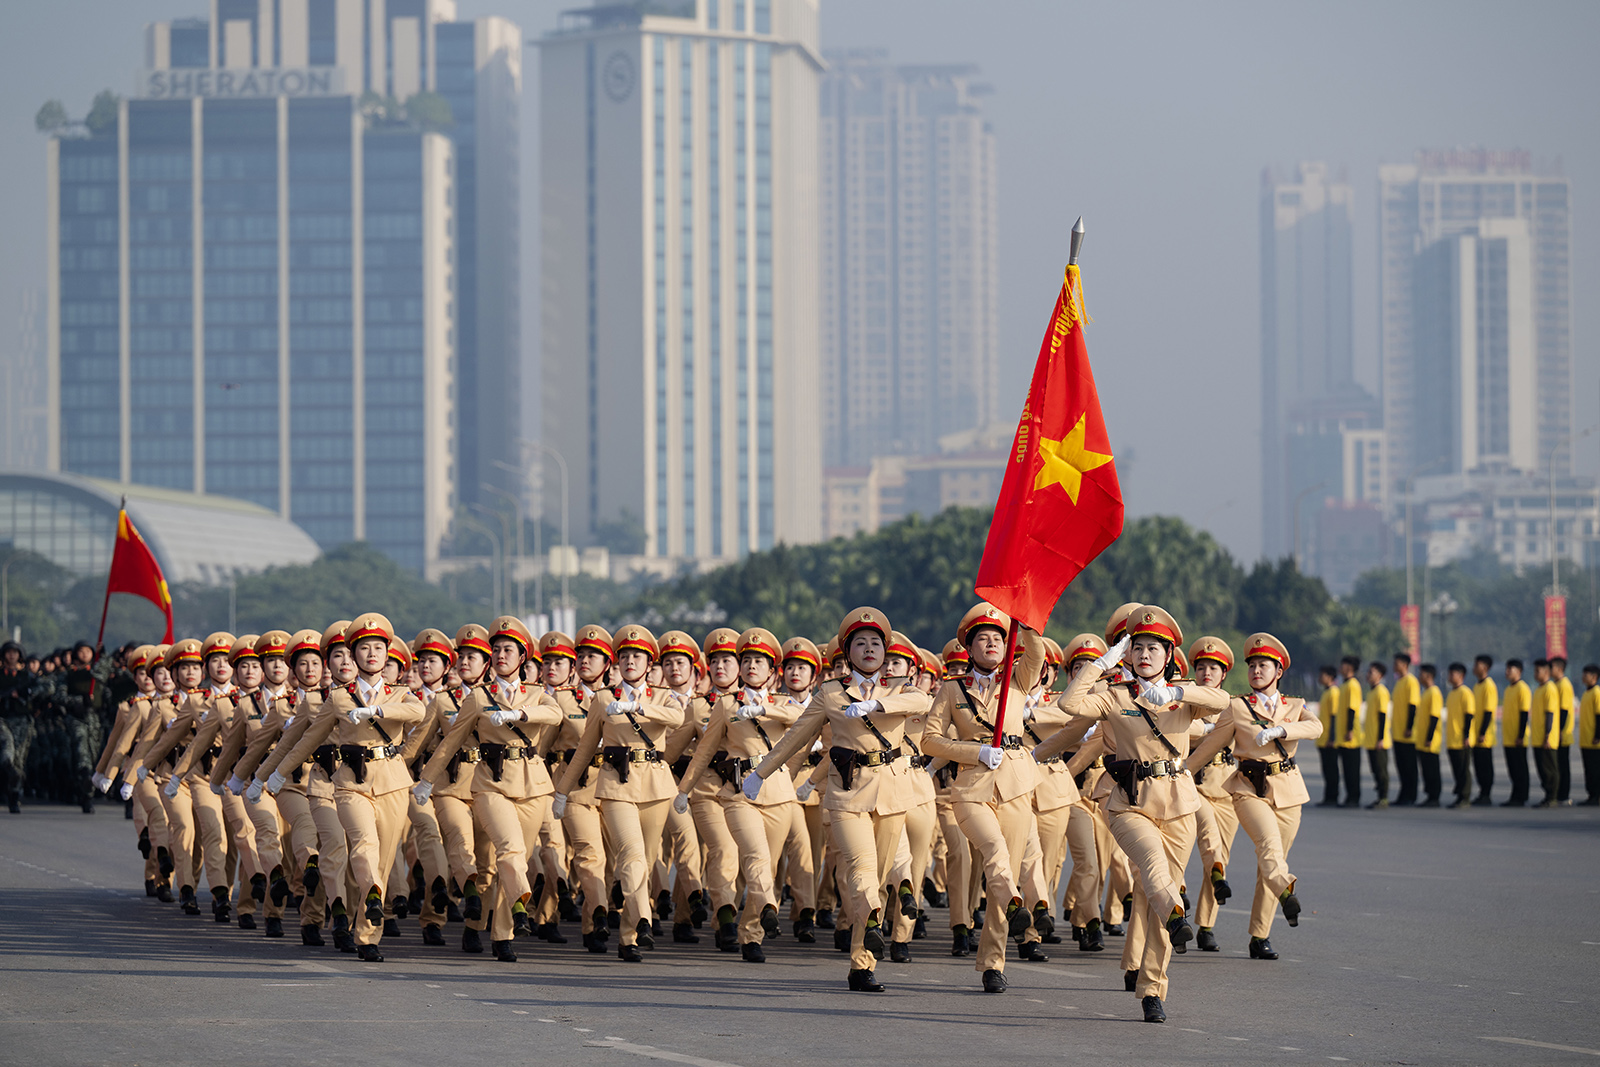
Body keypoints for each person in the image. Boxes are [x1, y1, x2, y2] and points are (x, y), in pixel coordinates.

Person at [1035, 606, 1231, 1024]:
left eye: (1153, 648)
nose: (1144, 654)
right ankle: (1176, 917)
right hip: (1130, 804)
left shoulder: (1182, 697)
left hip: (1179, 804)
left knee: (1161, 890)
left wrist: (1178, 693)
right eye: (1137, 647)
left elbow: (1223, 701)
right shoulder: (1116, 696)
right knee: (1156, 872)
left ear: (1168, 656)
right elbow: (1071, 705)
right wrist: (1103, 662)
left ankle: (1152, 989)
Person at [746, 607, 933, 993]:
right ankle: (875, 919)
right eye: (860, 643)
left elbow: (924, 704)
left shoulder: (901, 688)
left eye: (876, 643)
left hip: (892, 794)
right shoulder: (830, 693)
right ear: (847, 653)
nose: (869, 649)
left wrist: (877, 705)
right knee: (862, 871)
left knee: (879, 880)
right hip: (847, 794)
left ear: (886, 651)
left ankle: (861, 966)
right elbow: (796, 735)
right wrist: (760, 773)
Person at [267, 613, 425, 962]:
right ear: (352, 656)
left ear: (388, 656)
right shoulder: (337, 699)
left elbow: (419, 712)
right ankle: (361, 899)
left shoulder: (400, 693)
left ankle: (368, 936)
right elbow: (306, 740)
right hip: (348, 784)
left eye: (379, 648)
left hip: (392, 782)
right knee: (360, 843)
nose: (371, 654)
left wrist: (377, 711)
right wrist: (278, 772)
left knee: (384, 857)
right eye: (363, 648)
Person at [416, 616, 563, 963]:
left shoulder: (539, 695)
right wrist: (425, 781)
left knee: (507, 864)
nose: (500, 655)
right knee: (509, 851)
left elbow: (555, 716)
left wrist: (520, 715)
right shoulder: (480, 697)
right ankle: (523, 901)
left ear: (523, 657)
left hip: (533, 785)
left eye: (508, 650)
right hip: (491, 785)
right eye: (495, 650)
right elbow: (450, 742)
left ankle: (501, 933)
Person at [919, 603, 1044, 993]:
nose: (991, 644)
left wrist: (1025, 622)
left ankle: (993, 961)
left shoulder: (1018, 679)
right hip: (972, 787)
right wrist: (973, 752)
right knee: (995, 854)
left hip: (1015, 786)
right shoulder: (953, 689)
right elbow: (930, 740)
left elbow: (1037, 654)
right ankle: (1014, 903)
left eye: (998, 639)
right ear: (968, 647)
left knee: (1000, 873)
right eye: (983, 639)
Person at [672, 628, 805, 963]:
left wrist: (764, 711)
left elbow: (802, 719)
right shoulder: (726, 704)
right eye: (745, 660)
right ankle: (769, 905)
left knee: (767, 866)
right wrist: (684, 789)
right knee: (755, 858)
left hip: (778, 793)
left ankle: (751, 935)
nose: (750, 666)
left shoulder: (784, 703)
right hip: (738, 792)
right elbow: (703, 752)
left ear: (772, 671)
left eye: (759, 661)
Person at [554, 624, 681, 962]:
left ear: (649, 663)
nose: (629, 662)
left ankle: (629, 937)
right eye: (623, 656)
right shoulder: (604, 698)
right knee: (631, 854)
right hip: (616, 786)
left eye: (636, 656)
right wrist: (562, 791)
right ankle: (642, 917)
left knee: (647, 858)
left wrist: (639, 708)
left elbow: (678, 717)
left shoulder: (661, 696)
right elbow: (583, 749)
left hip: (655, 785)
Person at [1187, 632, 1315, 961]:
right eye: (1253, 665)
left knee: (1269, 865)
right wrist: (1181, 772)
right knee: (1269, 848)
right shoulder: (1237, 707)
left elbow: (1317, 729)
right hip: (1248, 790)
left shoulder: (1296, 706)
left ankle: (1260, 936)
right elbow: (1211, 745)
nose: (1257, 670)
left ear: (1279, 671)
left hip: (1289, 792)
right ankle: (1286, 887)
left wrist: (1283, 730)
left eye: (1264, 665)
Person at [1185, 637, 1239, 952]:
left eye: (1214, 668)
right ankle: (1175, 903)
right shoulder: (1187, 703)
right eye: (1202, 667)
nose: (1207, 672)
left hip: (1226, 787)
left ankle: (1206, 925)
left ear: (1223, 675)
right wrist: (1209, 731)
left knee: (1219, 860)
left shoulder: (1235, 707)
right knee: (1209, 840)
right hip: (1193, 785)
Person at [1499, 659, 1532, 807]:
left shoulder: (1522, 689)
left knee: (1520, 768)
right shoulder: (1508, 690)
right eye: (1506, 669)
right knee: (1512, 768)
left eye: (1510, 670)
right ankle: (1515, 795)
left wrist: (1520, 735)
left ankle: (1521, 796)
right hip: (1508, 736)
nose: (1507, 672)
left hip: (1518, 737)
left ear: (1518, 671)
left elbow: (1524, 713)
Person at [1444, 663, 1475, 809]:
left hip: (1462, 739)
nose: (1450, 677)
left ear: (1461, 675)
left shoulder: (1465, 693)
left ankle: (1465, 796)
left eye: (1452, 674)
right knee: (1456, 769)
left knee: (1463, 769)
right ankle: (1459, 796)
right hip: (1452, 739)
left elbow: (1469, 715)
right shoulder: (1451, 694)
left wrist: (1467, 735)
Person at [1390, 653, 1420, 806]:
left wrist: (1409, 727)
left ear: (1404, 664)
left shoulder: (1411, 682)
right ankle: (1403, 795)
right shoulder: (1399, 682)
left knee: (1409, 767)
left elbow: (1412, 706)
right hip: (1397, 733)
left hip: (1408, 734)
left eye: (1397, 663)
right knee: (1401, 766)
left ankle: (1411, 795)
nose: (1394, 666)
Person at [1530, 659, 1560, 807]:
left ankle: (1552, 796)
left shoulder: (1550, 688)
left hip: (1546, 737)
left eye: (1538, 671)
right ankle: (1548, 796)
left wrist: (1548, 735)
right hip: (1537, 737)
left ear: (1546, 672)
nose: (1535, 674)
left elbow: (1550, 714)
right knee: (1542, 768)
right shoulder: (1538, 689)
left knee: (1549, 768)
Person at [1414, 665, 1444, 807]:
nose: (1419, 677)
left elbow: (1434, 717)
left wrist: (1429, 737)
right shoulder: (1425, 693)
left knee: (1432, 770)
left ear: (1428, 675)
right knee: (1426, 770)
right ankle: (1430, 796)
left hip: (1430, 741)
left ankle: (1434, 796)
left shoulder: (1434, 693)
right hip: (1421, 740)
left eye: (1421, 674)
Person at [1362, 662, 1391, 809]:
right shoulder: (1371, 692)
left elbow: (1382, 716)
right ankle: (1380, 795)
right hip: (1370, 739)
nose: (1368, 675)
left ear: (1380, 675)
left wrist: (1380, 738)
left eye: (1371, 672)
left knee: (1381, 770)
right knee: (1375, 769)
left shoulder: (1381, 692)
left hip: (1379, 740)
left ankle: (1383, 797)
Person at [1470, 655, 1498, 806]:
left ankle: (1486, 794)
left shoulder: (1488, 685)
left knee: (1485, 766)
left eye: (1477, 664)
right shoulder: (1477, 686)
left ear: (1485, 667)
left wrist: (1482, 732)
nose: (1474, 667)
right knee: (1478, 766)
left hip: (1484, 735)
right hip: (1476, 734)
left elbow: (1488, 711)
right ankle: (1482, 793)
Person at [1336, 656, 1363, 807]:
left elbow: (1352, 709)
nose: (1340, 667)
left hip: (1351, 736)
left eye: (1343, 664)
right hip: (1342, 736)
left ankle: (1354, 797)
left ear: (1349, 667)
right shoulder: (1344, 685)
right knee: (1346, 769)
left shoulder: (1353, 685)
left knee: (1352, 769)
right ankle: (1349, 796)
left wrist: (1349, 730)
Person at [1552, 657, 1576, 805]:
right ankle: (1559, 792)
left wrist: (1560, 730)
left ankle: (1564, 794)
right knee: (1557, 764)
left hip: (1562, 733)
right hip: (1556, 732)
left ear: (1560, 669)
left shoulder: (1564, 685)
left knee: (1562, 764)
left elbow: (1564, 710)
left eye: (1552, 667)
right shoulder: (1555, 684)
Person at [1315, 667, 1340, 807]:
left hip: (1330, 740)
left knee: (1332, 769)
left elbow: (1334, 716)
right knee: (1326, 769)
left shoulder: (1334, 692)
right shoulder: (1326, 692)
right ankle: (1328, 796)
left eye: (1322, 675)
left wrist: (1332, 737)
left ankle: (1333, 796)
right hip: (1323, 739)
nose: (1320, 678)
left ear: (1330, 676)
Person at [1579, 664, 1600, 806]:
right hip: (1585, 739)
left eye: (1586, 674)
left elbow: (1599, 716)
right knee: (1589, 770)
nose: (1583, 677)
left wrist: (1597, 735)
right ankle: (1591, 795)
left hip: (1594, 741)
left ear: (1594, 677)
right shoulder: (1586, 693)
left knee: (1596, 770)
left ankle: (1597, 796)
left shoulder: (1597, 693)